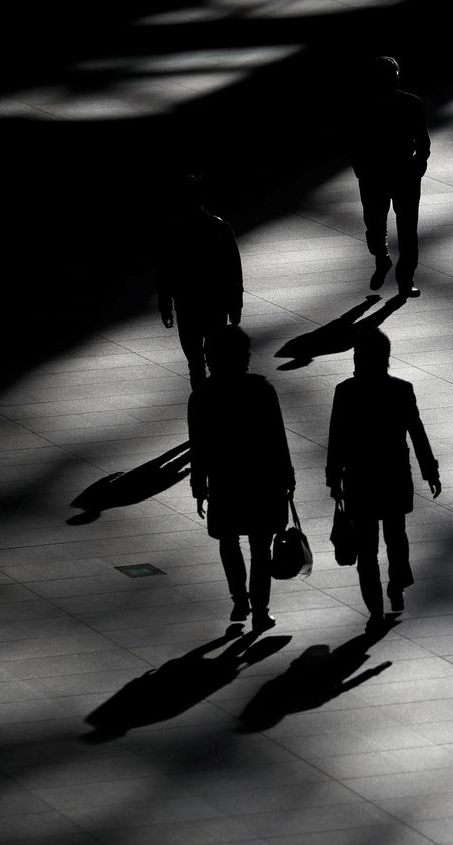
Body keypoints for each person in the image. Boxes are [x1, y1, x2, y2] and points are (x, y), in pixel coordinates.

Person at [326, 329, 440, 629]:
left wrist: (333, 477)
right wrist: (430, 470)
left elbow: (336, 438)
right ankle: (397, 584)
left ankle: (375, 610)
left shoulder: (346, 392)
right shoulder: (401, 390)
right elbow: (417, 433)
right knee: (396, 539)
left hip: (360, 480)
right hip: (394, 477)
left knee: (367, 552)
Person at [188, 326, 294, 631]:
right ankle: (261, 609)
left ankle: (239, 599)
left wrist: (199, 487)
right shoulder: (262, 391)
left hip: (226, 480)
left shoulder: (202, 398)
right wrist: (287, 475)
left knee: (228, 539)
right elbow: (277, 438)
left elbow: (199, 448)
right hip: (262, 480)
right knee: (261, 547)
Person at [350, 56, 430, 298]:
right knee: (374, 226)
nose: (392, 82)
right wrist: (361, 170)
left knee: (407, 231)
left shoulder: (412, 104)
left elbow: (423, 141)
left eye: (393, 77)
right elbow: (355, 143)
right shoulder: (362, 106)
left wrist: (418, 166)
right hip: (374, 174)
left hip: (403, 173)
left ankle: (405, 280)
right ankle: (382, 257)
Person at [158, 174, 244, 389]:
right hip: (215, 304)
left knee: (195, 363)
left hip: (187, 305)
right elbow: (233, 270)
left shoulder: (174, 231)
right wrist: (236, 304)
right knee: (217, 359)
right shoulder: (220, 228)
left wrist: (165, 305)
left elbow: (166, 272)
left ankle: (201, 402)